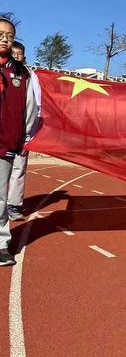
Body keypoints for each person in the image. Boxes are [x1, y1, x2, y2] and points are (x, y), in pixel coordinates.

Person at [0, 14, 37, 266]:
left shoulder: (22, 73)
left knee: (0, 197)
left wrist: (25, 137)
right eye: (0, 34)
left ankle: (1, 243)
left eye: (9, 36)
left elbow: (30, 107)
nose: (5, 39)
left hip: (4, 142)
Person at [7, 41, 42, 220]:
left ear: (24, 56)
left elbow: (33, 105)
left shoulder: (29, 77)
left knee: (18, 169)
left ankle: (13, 205)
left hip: (21, 133)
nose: (16, 56)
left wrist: (27, 135)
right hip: (3, 131)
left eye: (19, 54)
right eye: (13, 53)